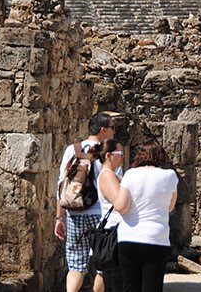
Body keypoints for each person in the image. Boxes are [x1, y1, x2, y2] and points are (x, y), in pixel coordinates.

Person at [55, 112, 115, 292]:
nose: (114, 131)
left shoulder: (72, 150)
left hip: (75, 214)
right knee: (103, 265)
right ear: (103, 130)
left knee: (75, 265)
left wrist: (60, 217)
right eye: (112, 128)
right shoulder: (108, 152)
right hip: (101, 215)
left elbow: (61, 185)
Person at [113, 141, 178, 292]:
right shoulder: (170, 176)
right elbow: (171, 206)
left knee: (130, 286)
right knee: (152, 286)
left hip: (129, 237)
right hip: (156, 237)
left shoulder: (130, 174)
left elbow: (121, 206)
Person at [92, 139, 125, 291]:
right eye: (120, 154)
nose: (123, 157)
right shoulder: (107, 175)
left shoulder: (112, 174)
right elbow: (119, 201)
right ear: (109, 155)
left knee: (105, 274)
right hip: (112, 229)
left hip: (114, 228)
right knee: (107, 273)